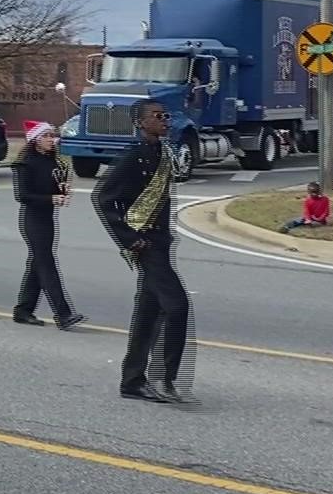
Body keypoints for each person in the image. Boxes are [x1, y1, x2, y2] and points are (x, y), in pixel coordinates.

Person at [93, 99, 197, 405]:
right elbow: (102, 198)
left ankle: (133, 381)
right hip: (145, 244)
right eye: (157, 116)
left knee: (148, 312)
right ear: (141, 123)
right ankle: (165, 378)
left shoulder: (163, 153)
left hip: (161, 242)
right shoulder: (132, 157)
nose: (164, 120)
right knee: (177, 306)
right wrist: (128, 238)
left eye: (166, 115)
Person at [11, 120, 86, 329]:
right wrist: (50, 198)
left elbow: (55, 187)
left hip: (47, 219)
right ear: (35, 140)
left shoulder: (53, 162)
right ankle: (63, 314)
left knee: (37, 264)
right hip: (33, 219)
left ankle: (23, 310)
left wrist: (62, 191)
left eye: (52, 136)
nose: (51, 140)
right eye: (46, 136)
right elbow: (23, 196)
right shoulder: (25, 163)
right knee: (47, 265)